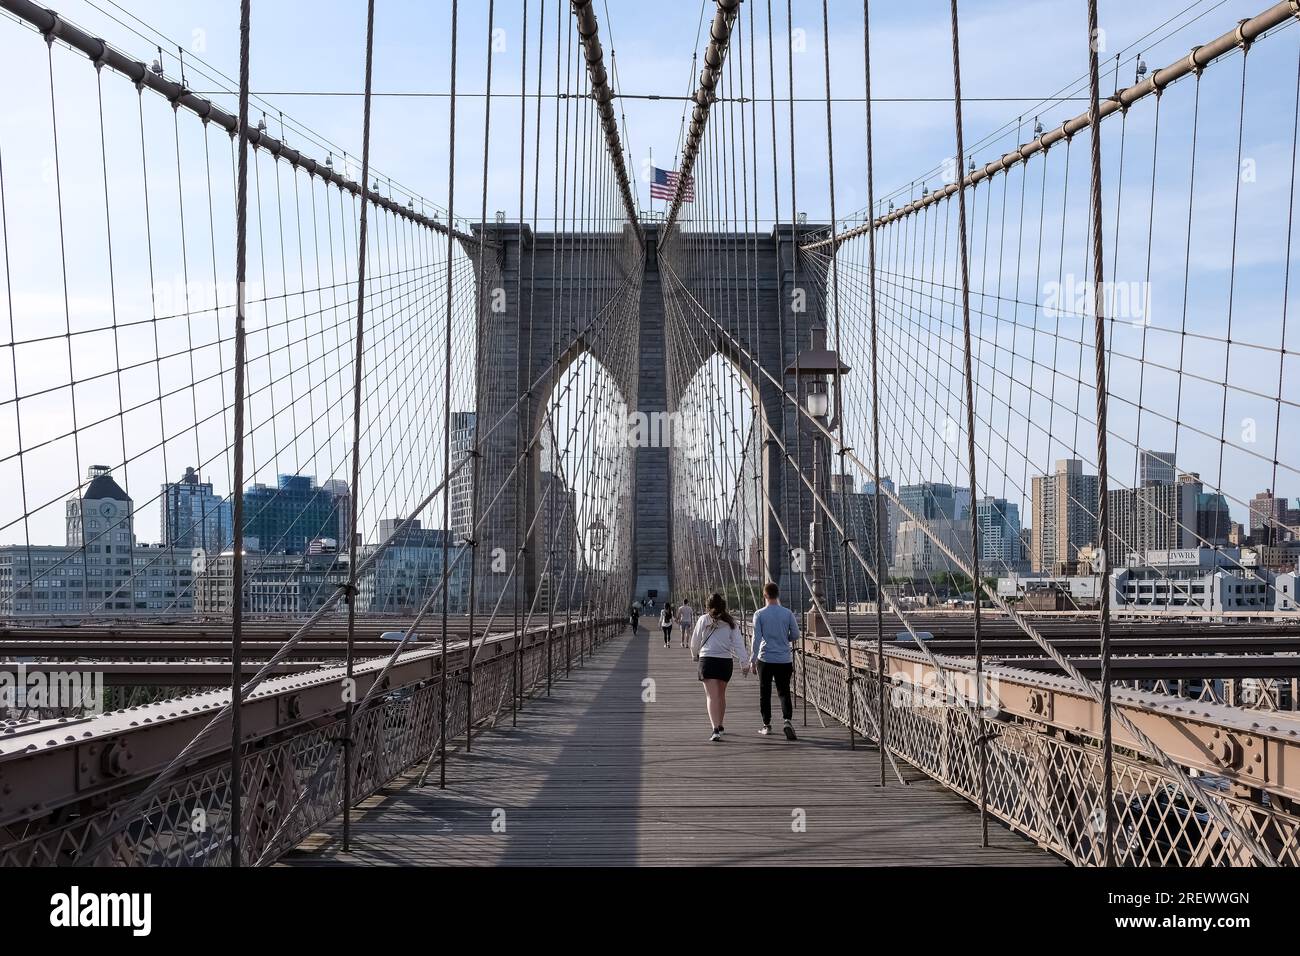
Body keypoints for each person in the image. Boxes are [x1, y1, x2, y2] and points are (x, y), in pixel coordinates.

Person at [689, 592, 750, 742]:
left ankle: (715, 729)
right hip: (725, 662)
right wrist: (744, 663)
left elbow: (694, 641)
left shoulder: (703, 620)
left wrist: (694, 654)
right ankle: (720, 725)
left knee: (711, 696)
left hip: (707, 660)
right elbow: (738, 644)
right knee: (721, 695)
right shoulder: (730, 622)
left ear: (708, 606)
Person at [749, 581, 799, 740]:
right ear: (778, 595)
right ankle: (787, 721)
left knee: (765, 692)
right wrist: (786, 638)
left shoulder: (759, 614)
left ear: (765, 595)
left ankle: (767, 725)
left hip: (765, 659)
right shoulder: (788, 613)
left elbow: (756, 639)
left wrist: (752, 659)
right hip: (784, 659)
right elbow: (796, 635)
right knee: (784, 691)